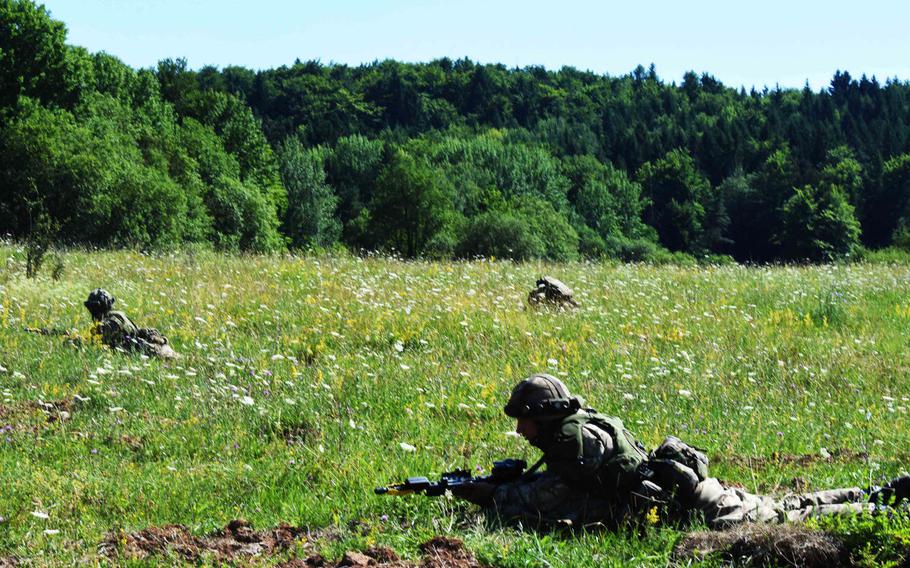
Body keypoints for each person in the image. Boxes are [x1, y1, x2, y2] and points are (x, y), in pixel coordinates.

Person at [452, 374, 909, 528]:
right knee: (791, 505)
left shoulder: (573, 450)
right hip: (695, 493)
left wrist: (487, 494)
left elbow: (535, 504)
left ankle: (884, 506)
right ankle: (884, 493)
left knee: (791, 517)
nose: (519, 427)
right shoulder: (581, 431)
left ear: (545, 416)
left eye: (524, 418)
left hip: (707, 512)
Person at [83, 289, 179, 359]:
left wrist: (75, 340)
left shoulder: (114, 320)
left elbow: (95, 341)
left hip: (154, 353)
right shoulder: (117, 316)